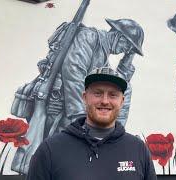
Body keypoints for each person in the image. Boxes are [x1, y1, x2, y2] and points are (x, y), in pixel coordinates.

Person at [11, 18, 144, 173]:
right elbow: (73, 72)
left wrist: (129, 59)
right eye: (127, 46)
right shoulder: (90, 37)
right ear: (119, 37)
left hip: (70, 110)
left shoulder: (102, 51)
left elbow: (119, 85)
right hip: (60, 106)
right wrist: (80, 117)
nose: (125, 50)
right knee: (45, 157)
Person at [26, 67, 157, 180]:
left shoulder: (138, 150)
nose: (105, 101)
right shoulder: (50, 150)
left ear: (122, 101)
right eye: (98, 93)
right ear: (84, 97)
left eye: (113, 95)